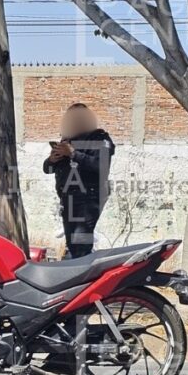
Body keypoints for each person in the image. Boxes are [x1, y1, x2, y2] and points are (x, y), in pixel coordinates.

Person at [43, 103, 115, 259]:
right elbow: (47, 169)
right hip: (68, 199)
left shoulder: (99, 138)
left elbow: (101, 166)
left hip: (88, 199)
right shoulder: (67, 140)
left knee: (81, 245)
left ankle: (87, 279)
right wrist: (52, 159)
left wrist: (73, 153)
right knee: (73, 246)